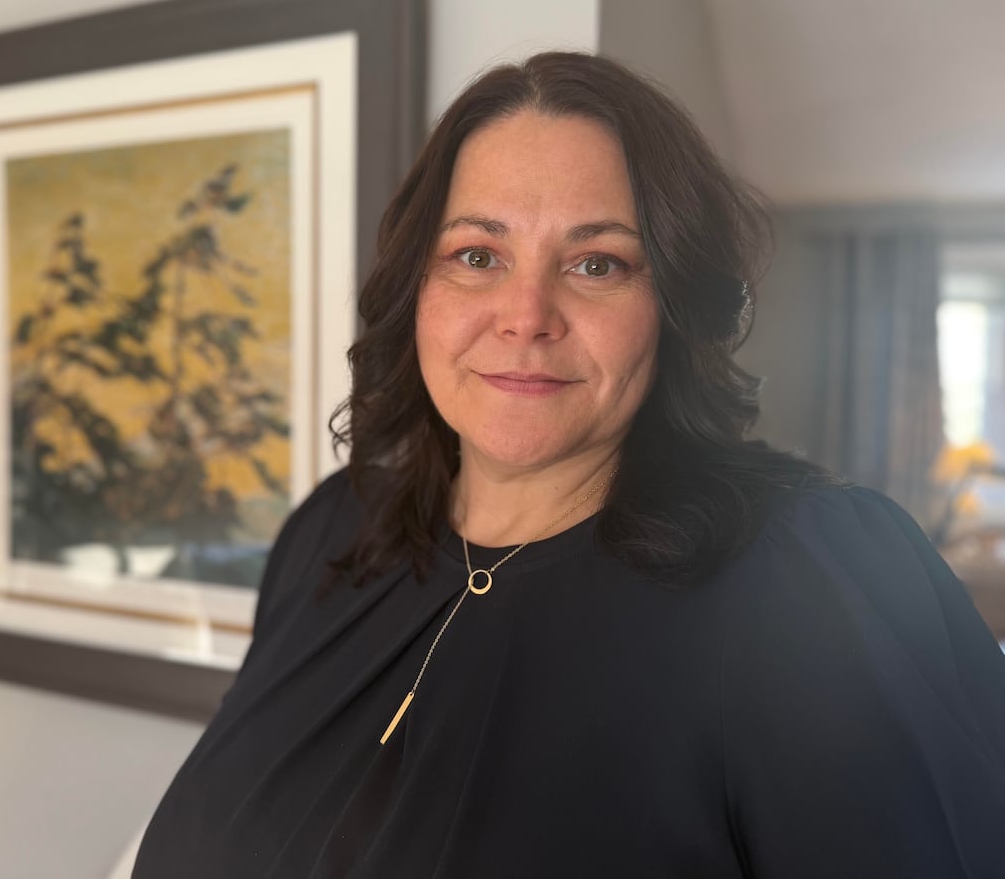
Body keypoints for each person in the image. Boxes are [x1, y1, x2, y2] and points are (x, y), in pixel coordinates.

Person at [132, 52, 1005, 877]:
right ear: (416, 290)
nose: (526, 315)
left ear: (674, 306)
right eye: (478, 255)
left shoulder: (813, 580)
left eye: (597, 263)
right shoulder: (334, 529)